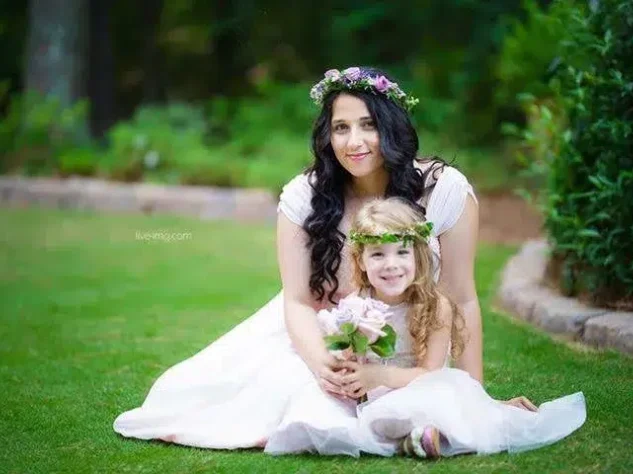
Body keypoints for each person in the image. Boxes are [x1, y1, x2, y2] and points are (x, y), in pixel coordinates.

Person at [112, 66, 532, 451]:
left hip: (410, 346)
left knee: (422, 399)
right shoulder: (304, 196)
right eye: (341, 128)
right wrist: (323, 364)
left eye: (368, 125)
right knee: (282, 399)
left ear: (391, 128)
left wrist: (476, 400)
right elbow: (295, 300)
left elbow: (460, 295)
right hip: (315, 335)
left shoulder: (443, 190)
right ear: (327, 136)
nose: (354, 142)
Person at [268, 197, 584, 457]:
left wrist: (378, 376)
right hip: (370, 396)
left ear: (418, 256)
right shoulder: (355, 306)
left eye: (402, 252)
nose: (391, 264)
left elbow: (429, 373)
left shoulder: (434, 307)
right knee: (316, 403)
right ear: (361, 260)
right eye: (378, 254)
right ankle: (413, 439)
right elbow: (350, 357)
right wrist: (348, 372)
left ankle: (420, 435)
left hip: (416, 387)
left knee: (424, 405)